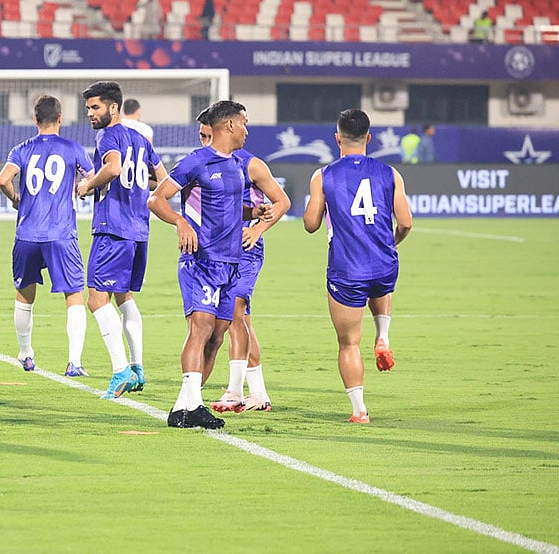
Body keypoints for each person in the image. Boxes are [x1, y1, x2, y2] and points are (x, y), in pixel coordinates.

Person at [148, 101, 269, 429]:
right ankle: (195, 406)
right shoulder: (196, 162)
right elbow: (156, 199)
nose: (246, 130)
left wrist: (253, 214)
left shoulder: (237, 165)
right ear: (229, 125)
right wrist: (180, 222)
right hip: (201, 260)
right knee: (200, 328)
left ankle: (181, 409)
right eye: (243, 123)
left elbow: (228, 208)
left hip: (231, 262)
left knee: (217, 336)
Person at [303, 108, 413, 424]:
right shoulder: (390, 173)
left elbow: (311, 224)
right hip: (385, 265)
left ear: (337, 138)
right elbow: (405, 222)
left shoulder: (323, 175)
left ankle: (359, 410)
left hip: (347, 269)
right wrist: (390, 244)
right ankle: (383, 336)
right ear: (369, 137)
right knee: (378, 283)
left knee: (349, 343)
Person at [75, 81, 167, 399]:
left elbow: (113, 168)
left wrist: (87, 184)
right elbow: (163, 180)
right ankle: (138, 368)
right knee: (123, 296)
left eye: (95, 107)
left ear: (113, 108)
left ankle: (120, 371)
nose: (90, 113)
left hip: (112, 227)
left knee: (96, 300)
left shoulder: (107, 135)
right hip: (139, 230)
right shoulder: (141, 139)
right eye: (88, 108)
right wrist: (138, 185)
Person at [0, 95, 94, 376]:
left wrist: (15, 198)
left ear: (35, 120)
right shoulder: (73, 149)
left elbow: (3, 179)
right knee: (74, 294)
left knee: (25, 294)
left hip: (27, 234)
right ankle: (74, 362)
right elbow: (92, 178)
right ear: (60, 118)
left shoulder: (22, 149)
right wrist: (83, 188)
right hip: (61, 234)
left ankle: (26, 353)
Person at [208, 143, 291, 413]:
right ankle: (259, 394)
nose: (205, 141)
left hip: (246, 249)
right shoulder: (204, 161)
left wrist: (258, 230)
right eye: (202, 136)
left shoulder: (250, 164)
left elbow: (282, 201)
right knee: (241, 320)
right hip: (218, 250)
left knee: (234, 313)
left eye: (208, 135)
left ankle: (234, 390)